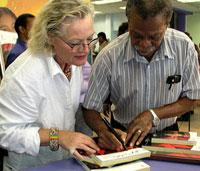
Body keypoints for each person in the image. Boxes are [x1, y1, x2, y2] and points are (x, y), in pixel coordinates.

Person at [82, 0, 200, 151]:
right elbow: (89, 108)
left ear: (166, 25)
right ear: (129, 21)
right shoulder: (109, 56)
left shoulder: (183, 47)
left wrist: (153, 115)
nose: (144, 44)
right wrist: (102, 131)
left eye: (154, 37)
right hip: (123, 136)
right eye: (136, 35)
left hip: (168, 134)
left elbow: (192, 98)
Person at [0, 0, 99, 170]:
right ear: (50, 37)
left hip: (62, 161)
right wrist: (58, 137)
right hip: (31, 166)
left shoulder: (71, 62)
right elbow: (6, 134)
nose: (85, 49)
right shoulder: (25, 75)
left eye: (90, 39)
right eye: (75, 43)